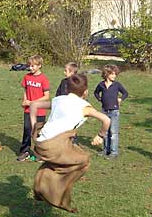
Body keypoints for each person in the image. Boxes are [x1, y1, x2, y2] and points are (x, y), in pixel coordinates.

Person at [29, 73, 111, 213]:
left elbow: (34, 105)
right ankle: (50, 189)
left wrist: (34, 127)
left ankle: (45, 182)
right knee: (84, 160)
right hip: (55, 145)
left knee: (65, 160)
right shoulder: (85, 107)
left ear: (67, 89)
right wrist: (100, 136)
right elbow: (106, 120)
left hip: (41, 143)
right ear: (85, 91)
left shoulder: (58, 99)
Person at [17, 55, 50, 162]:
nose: (31, 68)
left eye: (33, 66)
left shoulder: (43, 79)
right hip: (28, 110)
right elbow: (26, 91)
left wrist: (32, 102)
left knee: (38, 133)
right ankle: (25, 151)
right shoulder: (27, 77)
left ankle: (40, 154)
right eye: (29, 66)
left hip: (39, 111)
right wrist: (25, 101)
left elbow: (46, 96)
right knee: (27, 130)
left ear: (39, 66)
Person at [93, 64, 128, 158]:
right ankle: (105, 150)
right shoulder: (101, 85)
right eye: (112, 74)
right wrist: (99, 99)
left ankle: (114, 152)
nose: (114, 76)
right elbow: (96, 92)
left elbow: (125, 93)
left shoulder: (117, 85)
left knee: (113, 132)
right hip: (104, 111)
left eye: (115, 74)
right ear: (106, 74)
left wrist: (120, 99)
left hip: (114, 112)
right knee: (105, 132)